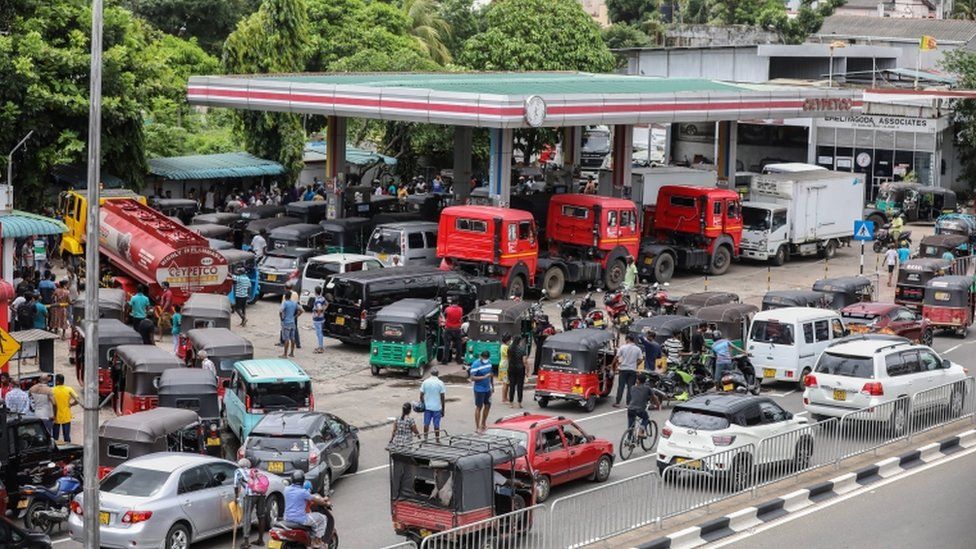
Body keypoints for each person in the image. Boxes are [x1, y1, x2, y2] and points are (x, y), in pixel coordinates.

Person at [283, 471, 331, 548]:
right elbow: (316, 500)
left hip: (287, 518)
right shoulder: (303, 492)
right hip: (300, 519)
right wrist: (325, 503)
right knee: (323, 518)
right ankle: (317, 541)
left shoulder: (286, 489)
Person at [233, 458, 267, 548]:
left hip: (251, 495)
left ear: (240, 464)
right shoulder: (255, 471)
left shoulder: (238, 471)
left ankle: (246, 542)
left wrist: (236, 496)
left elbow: (236, 485)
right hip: (262, 494)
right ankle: (261, 540)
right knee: (261, 516)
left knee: (247, 516)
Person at [611, 334, 643, 408]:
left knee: (621, 386)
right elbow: (641, 359)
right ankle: (628, 404)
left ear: (628, 339)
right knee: (630, 387)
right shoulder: (637, 349)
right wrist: (635, 364)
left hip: (623, 369)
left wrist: (612, 364)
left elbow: (616, 357)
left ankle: (618, 402)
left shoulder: (622, 347)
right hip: (632, 370)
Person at [419, 367, 446, 441]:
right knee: (436, 425)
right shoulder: (440, 383)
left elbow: (421, 395)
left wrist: (423, 404)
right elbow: (442, 398)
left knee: (426, 424)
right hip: (437, 408)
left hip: (427, 407)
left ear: (431, 373)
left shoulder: (425, 382)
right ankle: (437, 439)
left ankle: (425, 438)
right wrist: (443, 409)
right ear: (437, 374)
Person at [470, 350, 494, 433]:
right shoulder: (476, 364)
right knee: (479, 407)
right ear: (481, 357)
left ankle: (483, 423)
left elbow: (491, 375)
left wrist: (492, 386)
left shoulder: (489, 362)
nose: (485, 360)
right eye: (484, 358)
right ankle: (477, 427)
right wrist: (484, 377)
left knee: (488, 406)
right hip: (479, 389)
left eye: (487, 358)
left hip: (488, 388)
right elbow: (472, 378)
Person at [51, 374, 79, 443]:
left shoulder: (52, 390)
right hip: (66, 415)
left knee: (55, 437)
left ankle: (56, 450)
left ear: (57, 381)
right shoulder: (68, 389)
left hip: (56, 416)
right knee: (66, 436)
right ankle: (68, 450)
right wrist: (71, 404)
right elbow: (77, 399)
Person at [441, 298, 464, 365]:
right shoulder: (460, 309)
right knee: (458, 346)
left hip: (448, 329)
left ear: (451, 302)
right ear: (458, 303)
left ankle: (445, 360)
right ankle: (458, 360)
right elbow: (461, 317)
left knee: (447, 345)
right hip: (457, 329)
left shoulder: (447, 309)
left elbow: (444, 316)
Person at [507, 336, 528, 408]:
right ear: (519, 341)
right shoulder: (522, 350)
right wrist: (527, 371)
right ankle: (519, 402)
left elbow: (508, 358)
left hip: (511, 368)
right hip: (520, 369)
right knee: (520, 386)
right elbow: (524, 361)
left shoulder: (509, 348)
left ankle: (511, 402)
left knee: (512, 385)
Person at [312, 286, 327, 353]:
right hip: (322, 318)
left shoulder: (317, 300)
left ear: (315, 291)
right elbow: (327, 304)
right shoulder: (322, 298)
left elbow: (319, 308)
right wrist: (323, 311)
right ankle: (320, 346)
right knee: (320, 332)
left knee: (319, 333)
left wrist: (317, 315)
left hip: (317, 319)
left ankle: (321, 347)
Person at [499, 334, 511, 404]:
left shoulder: (504, 346)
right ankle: (504, 398)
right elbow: (508, 355)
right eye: (510, 340)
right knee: (505, 383)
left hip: (505, 364)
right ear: (507, 340)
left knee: (507, 383)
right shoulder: (504, 347)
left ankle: (506, 397)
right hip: (505, 365)